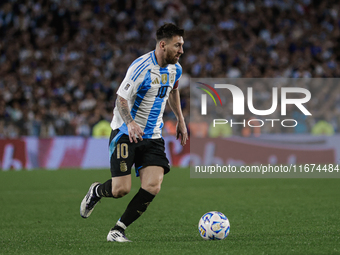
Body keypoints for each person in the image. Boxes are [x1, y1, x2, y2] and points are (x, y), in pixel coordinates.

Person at [80, 23, 188, 242]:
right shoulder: (140, 67)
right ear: (163, 44)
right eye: (177, 45)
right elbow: (121, 99)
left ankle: (117, 230)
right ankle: (97, 191)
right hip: (125, 133)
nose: (181, 51)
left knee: (153, 185)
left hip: (153, 135)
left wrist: (180, 119)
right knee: (121, 189)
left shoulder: (176, 68)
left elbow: (174, 90)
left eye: (182, 46)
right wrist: (130, 123)